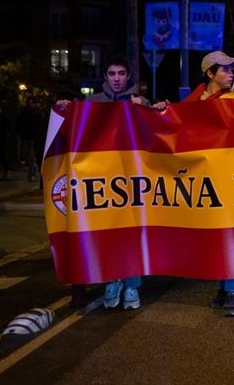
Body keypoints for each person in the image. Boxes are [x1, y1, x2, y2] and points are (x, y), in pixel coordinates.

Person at [58, 56, 168, 310]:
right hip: (102, 180)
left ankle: (131, 286)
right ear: (105, 77)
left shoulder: (139, 102)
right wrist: (66, 109)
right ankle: (112, 280)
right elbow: (75, 131)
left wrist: (155, 109)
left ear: (128, 76)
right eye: (112, 73)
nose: (117, 78)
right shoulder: (91, 102)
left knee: (131, 232)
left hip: (132, 180)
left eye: (121, 73)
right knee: (106, 232)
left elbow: (157, 132)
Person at [184, 51, 234, 316]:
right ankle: (222, 288)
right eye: (225, 69)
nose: (231, 73)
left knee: (231, 234)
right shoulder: (191, 102)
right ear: (210, 73)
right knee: (215, 236)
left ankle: (232, 292)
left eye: (232, 69)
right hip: (205, 181)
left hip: (232, 179)